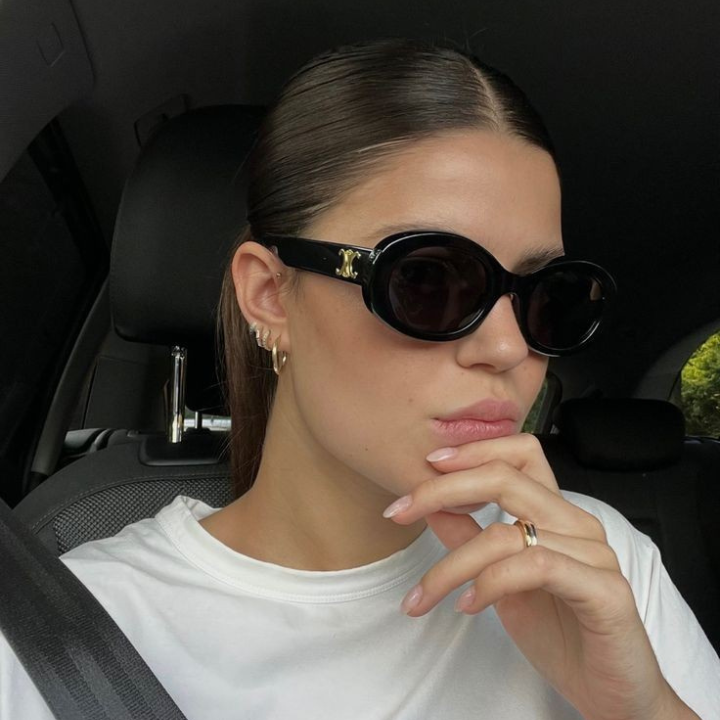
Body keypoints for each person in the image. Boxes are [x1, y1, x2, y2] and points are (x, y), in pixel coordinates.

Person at [1, 37, 719, 720]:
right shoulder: (53, 641)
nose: (508, 347)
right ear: (270, 296)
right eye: (426, 280)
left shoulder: (598, 564)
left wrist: (643, 708)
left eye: (547, 296)